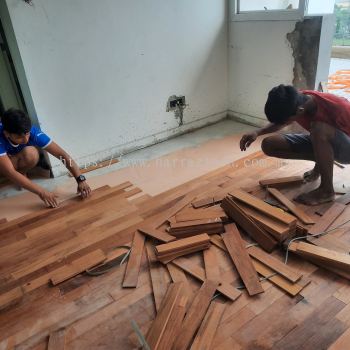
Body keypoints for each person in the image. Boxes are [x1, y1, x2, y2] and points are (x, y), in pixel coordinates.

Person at [239, 84, 350, 205]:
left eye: (287, 120)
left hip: (346, 151)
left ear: (299, 111)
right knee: (269, 144)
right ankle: (323, 163)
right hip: (325, 140)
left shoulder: (338, 107)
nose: (285, 123)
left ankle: (327, 191)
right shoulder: (296, 100)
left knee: (319, 128)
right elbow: (281, 123)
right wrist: (257, 132)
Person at [0, 108, 91, 207]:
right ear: (7, 133)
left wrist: (80, 179)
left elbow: (62, 155)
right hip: (4, 162)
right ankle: (18, 178)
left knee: (32, 154)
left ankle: (21, 174)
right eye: (19, 137)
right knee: (8, 171)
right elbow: (10, 172)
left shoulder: (34, 133)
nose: (26, 140)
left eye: (27, 134)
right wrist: (41, 192)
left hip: (11, 157)